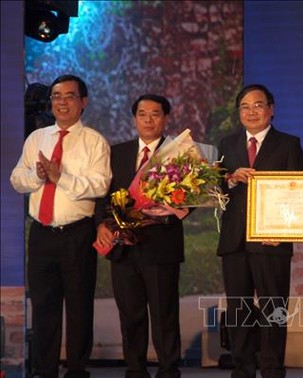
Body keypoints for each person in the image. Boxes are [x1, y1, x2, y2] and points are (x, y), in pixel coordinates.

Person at [10, 74, 112, 378]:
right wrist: (38, 176)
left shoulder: (94, 141)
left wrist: (60, 177)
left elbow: (100, 185)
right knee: (43, 307)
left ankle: (77, 370)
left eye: (69, 96)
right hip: (41, 234)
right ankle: (45, 370)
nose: (61, 102)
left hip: (77, 234)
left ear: (83, 102)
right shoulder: (36, 139)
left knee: (79, 306)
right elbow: (17, 179)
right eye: (56, 96)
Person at [216, 84, 303, 378]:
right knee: (238, 308)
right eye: (245, 106)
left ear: (271, 109)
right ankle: (242, 368)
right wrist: (230, 178)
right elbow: (214, 188)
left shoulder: (288, 144)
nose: (251, 112)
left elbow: (300, 192)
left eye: (258, 105)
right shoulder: (226, 144)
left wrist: (284, 230)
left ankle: (272, 368)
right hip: (235, 240)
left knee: (273, 308)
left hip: (272, 240)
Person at [94, 94, 185, 378]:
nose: (148, 119)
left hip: (161, 246)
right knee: (130, 314)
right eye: (142, 114)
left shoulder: (178, 155)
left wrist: (161, 213)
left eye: (155, 114)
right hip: (123, 249)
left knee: (163, 314)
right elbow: (103, 197)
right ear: (134, 119)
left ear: (165, 118)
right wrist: (101, 225)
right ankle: (135, 369)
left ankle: (169, 369)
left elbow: (189, 199)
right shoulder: (117, 152)